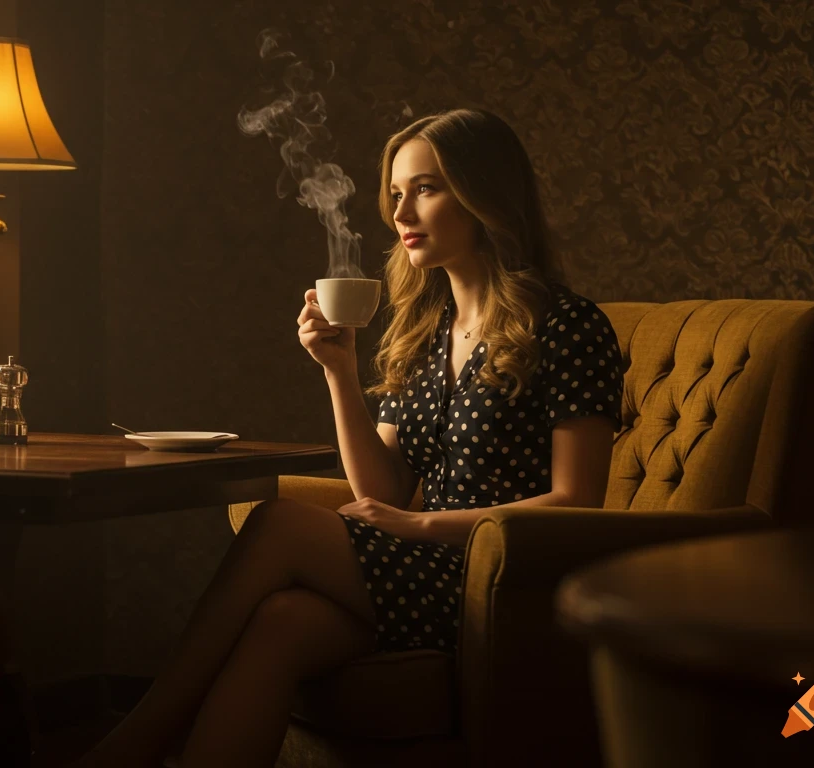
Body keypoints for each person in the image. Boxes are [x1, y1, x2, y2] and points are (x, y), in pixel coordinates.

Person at [71, 108, 623, 768]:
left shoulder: (566, 326)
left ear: (484, 194)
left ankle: (135, 741)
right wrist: (338, 370)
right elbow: (379, 486)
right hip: (422, 573)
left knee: (277, 523)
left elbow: (576, 501)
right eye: (395, 193)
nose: (402, 212)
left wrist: (415, 526)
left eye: (426, 188)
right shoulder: (428, 332)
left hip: (508, 584)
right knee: (281, 624)